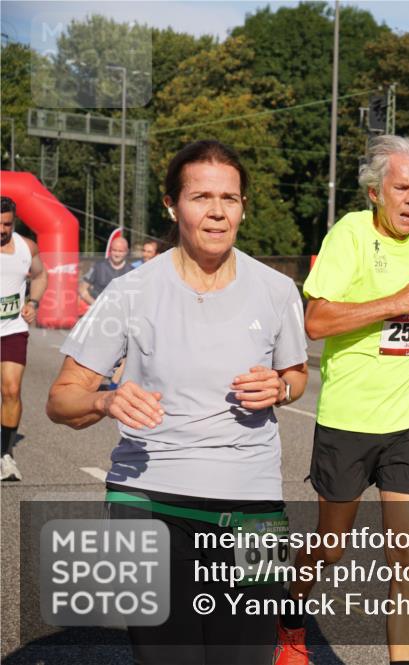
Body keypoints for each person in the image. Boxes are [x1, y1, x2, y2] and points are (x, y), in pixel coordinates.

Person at [47, 140, 309, 665]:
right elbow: (62, 399)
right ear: (172, 205)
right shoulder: (129, 293)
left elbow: (296, 376)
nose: (217, 211)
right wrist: (106, 402)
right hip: (148, 502)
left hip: (254, 506)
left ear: (243, 207)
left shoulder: (278, 290)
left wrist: (280, 389)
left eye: (229, 198)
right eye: (201, 197)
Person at [273, 135, 409, 665]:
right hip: (350, 420)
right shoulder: (350, 235)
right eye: (402, 188)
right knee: (331, 548)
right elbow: (314, 322)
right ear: (375, 191)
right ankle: (290, 618)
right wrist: (394, 303)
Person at [1, 196, 48, 481]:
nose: (1, 230)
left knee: (11, 389)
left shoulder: (26, 247)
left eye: (6, 224)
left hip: (12, 328)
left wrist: (34, 302)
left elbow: (41, 276)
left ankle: (5, 455)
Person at [79, 235, 132, 305]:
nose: (117, 254)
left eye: (120, 251)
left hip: (122, 313)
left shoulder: (132, 271)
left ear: (126, 252)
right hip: (99, 312)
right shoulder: (98, 267)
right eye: (114, 250)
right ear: (110, 250)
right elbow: (82, 289)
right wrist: (95, 304)